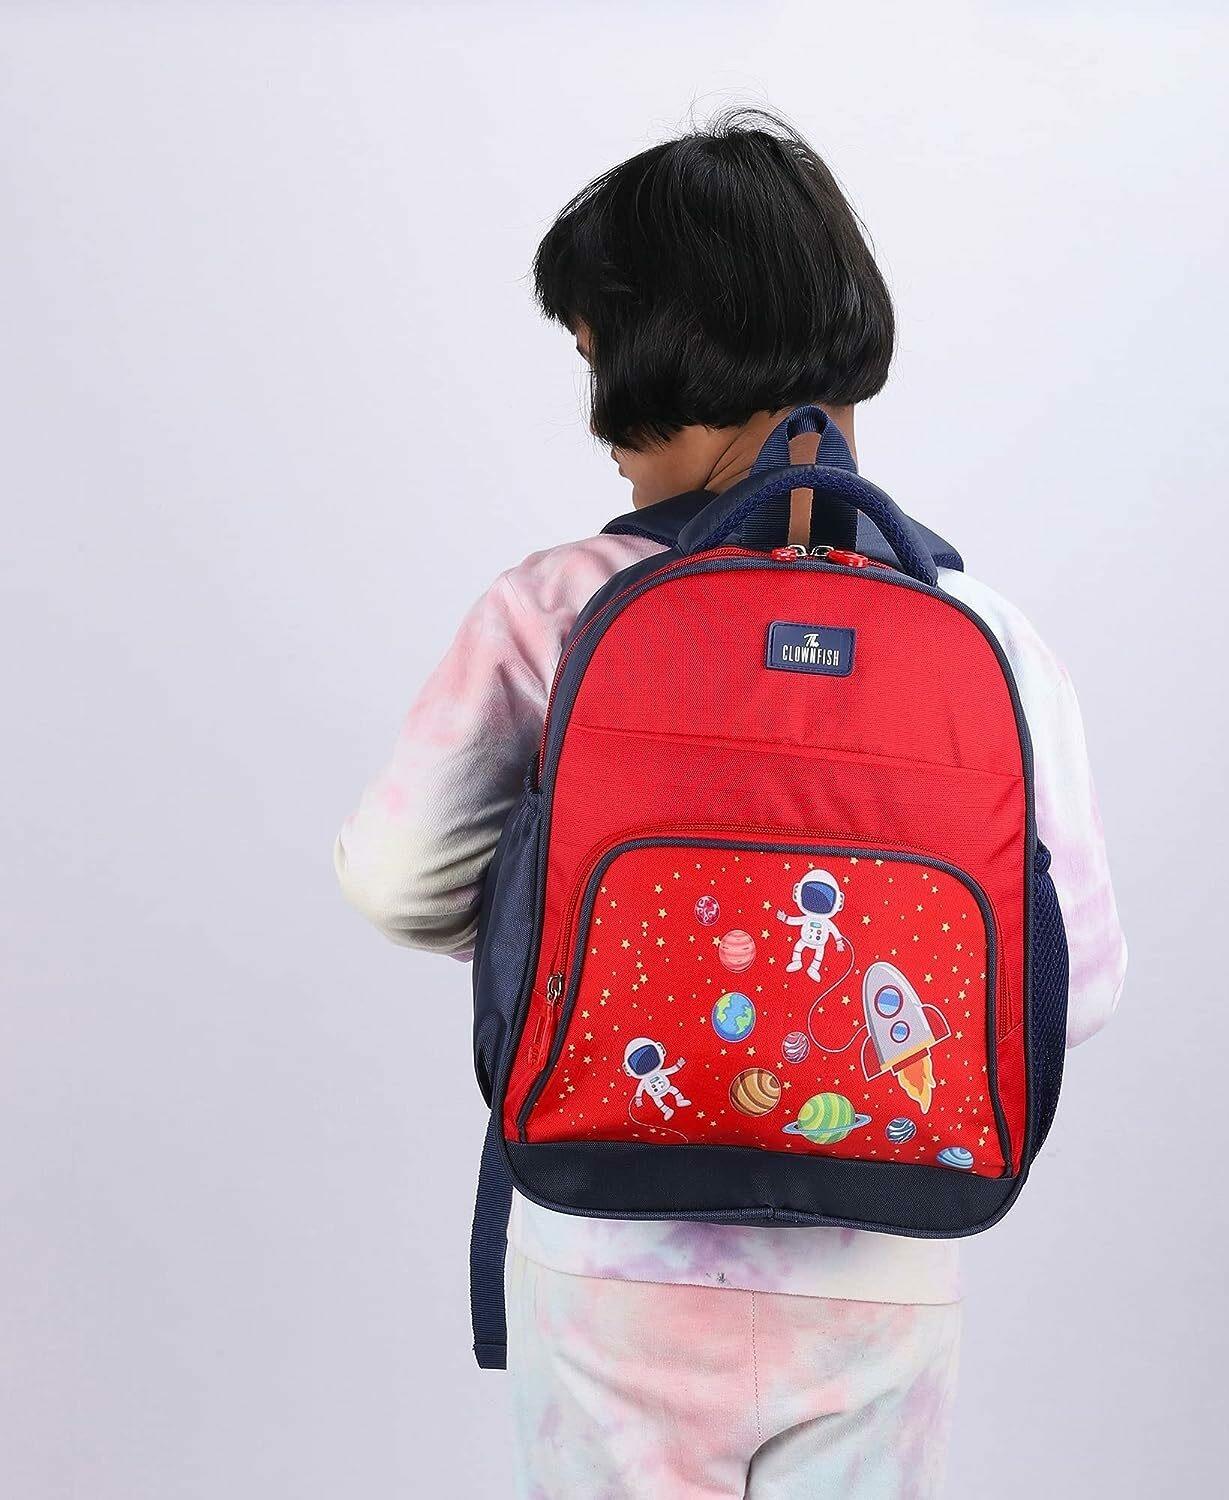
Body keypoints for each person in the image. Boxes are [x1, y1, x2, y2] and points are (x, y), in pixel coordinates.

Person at [336, 109, 1126, 1500]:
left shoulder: (552, 609)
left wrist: (573, 928)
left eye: (596, 360)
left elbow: (398, 881)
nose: (600, 428)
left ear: (660, 354)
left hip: (610, 1251)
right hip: (884, 1259)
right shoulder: (989, 638)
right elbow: (1082, 981)